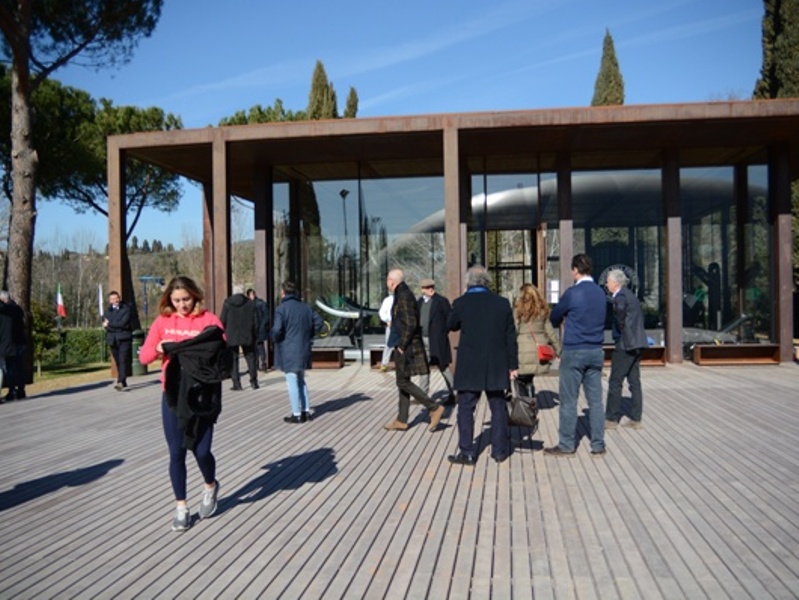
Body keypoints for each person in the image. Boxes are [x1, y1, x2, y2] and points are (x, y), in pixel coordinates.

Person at [139, 276, 226, 532]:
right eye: (176, 300)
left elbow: (222, 350)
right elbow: (144, 357)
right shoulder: (163, 322)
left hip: (203, 396)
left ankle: (210, 485)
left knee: (201, 451)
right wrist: (159, 348)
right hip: (173, 396)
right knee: (176, 453)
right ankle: (181, 507)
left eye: (186, 299)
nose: (182, 305)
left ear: (195, 296)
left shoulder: (209, 321)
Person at [446, 265, 518, 465]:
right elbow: (510, 337)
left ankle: (467, 452)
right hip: (496, 363)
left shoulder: (461, 303)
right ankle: (499, 452)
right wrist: (513, 365)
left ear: (468, 282)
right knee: (498, 407)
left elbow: (451, 325)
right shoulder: (502, 303)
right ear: (487, 282)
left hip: (470, 365)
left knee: (466, 408)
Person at [546, 253, 607, 457]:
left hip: (574, 350)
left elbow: (554, 317)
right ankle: (598, 444)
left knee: (569, 401)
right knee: (595, 401)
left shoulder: (572, 293)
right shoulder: (600, 293)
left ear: (575, 270)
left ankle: (566, 444)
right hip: (596, 349)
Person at [382, 269, 445, 432]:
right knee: (402, 380)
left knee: (402, 381)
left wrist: (402, 345)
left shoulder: (403, 296)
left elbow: (410, 323)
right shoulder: (402, 293)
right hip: (403, 344)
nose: (387, 282)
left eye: (387, 279)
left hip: (405, 345)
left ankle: (434, 407)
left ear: (392, 281)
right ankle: (401, 420)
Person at [271, 280, 324, 423]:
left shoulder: (281, 309)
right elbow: (319, 322)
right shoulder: (306, 308)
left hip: (288, 349)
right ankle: (305, 411)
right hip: (303, 348)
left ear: (283, 292)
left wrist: (274, 338)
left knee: (292, 381)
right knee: (301, 380)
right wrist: (309, 334)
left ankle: (296, 414)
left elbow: (277, 330)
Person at [604, 269, 648, 429]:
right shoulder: (631, 295)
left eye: (608, 281)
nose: (606, 284)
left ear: (615, 283)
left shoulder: (620, 296)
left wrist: (620, 326)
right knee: (634, 381)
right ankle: (636, 418)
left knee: (615, 381)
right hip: (637, 343)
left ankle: (611, 418)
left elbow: (620, 311)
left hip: (625, 344)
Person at [515, 283, 561, 397]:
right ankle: (531, 395)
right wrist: (559, 351)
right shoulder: (542, 310)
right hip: (538, 349)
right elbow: (550, 332)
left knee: (521, 379)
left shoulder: (518, 310)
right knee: (529, 377)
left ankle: (526, 403)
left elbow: (514, 330)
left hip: (522, 351)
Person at [416, 278, 456, 404]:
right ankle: (422, 395)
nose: (430, 289)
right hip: (422, 338)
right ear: (422, 289)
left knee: (443, 366)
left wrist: (443, 332)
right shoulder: (419, 302)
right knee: (423, 367)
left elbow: (450, 318)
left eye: (431, 286)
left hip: (437, 339)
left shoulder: (441, 301)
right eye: (427, 287)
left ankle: (454, 393)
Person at [220, 285, 259, 390]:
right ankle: (254, 381)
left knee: (233, 359)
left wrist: (223, 332)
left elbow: (223, 320)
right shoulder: (250, 303)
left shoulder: (228, 303)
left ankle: (237, 383)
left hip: (231, 334)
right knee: (250, 357)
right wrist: (255, 333)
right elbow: (255, 321)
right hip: (247, 334)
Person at [102, 290, 134, 391]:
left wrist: (109, 325)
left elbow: (123, 324)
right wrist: (111, 326)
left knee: (123, 360)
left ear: (119, 298)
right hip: (112, 340)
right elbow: (107, 326)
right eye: (113, 299)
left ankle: (120, 382)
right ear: (110, 300)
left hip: (124, 339)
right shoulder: (107, 312)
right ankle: (123, 380)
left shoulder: (126, 309)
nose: (115, 300)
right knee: (118, 361)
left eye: (116, 298)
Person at [0, 291, 27, 401]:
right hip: (19, 341)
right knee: (18, 367)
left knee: (9, 367)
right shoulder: (17, 309)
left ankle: (12, 390)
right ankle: (20, 390)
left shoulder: (6, 311)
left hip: (10, 342)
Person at [247, 288, 270, 371]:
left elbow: (266, 316)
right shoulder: (258, 303)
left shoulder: (257, 304)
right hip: (257, 329)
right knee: (257, 348)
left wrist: (262, 326)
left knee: (259, 347)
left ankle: (261, 364)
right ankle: (259, 364)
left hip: (258, 329)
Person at [378, 293, 394, 372]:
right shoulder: (388, 300)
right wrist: (387, 320)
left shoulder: (404, 298)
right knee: (388, 344)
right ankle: (384, 364)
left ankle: (406, 364)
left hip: (402, 325)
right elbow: (382, 312)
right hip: (391, 325)